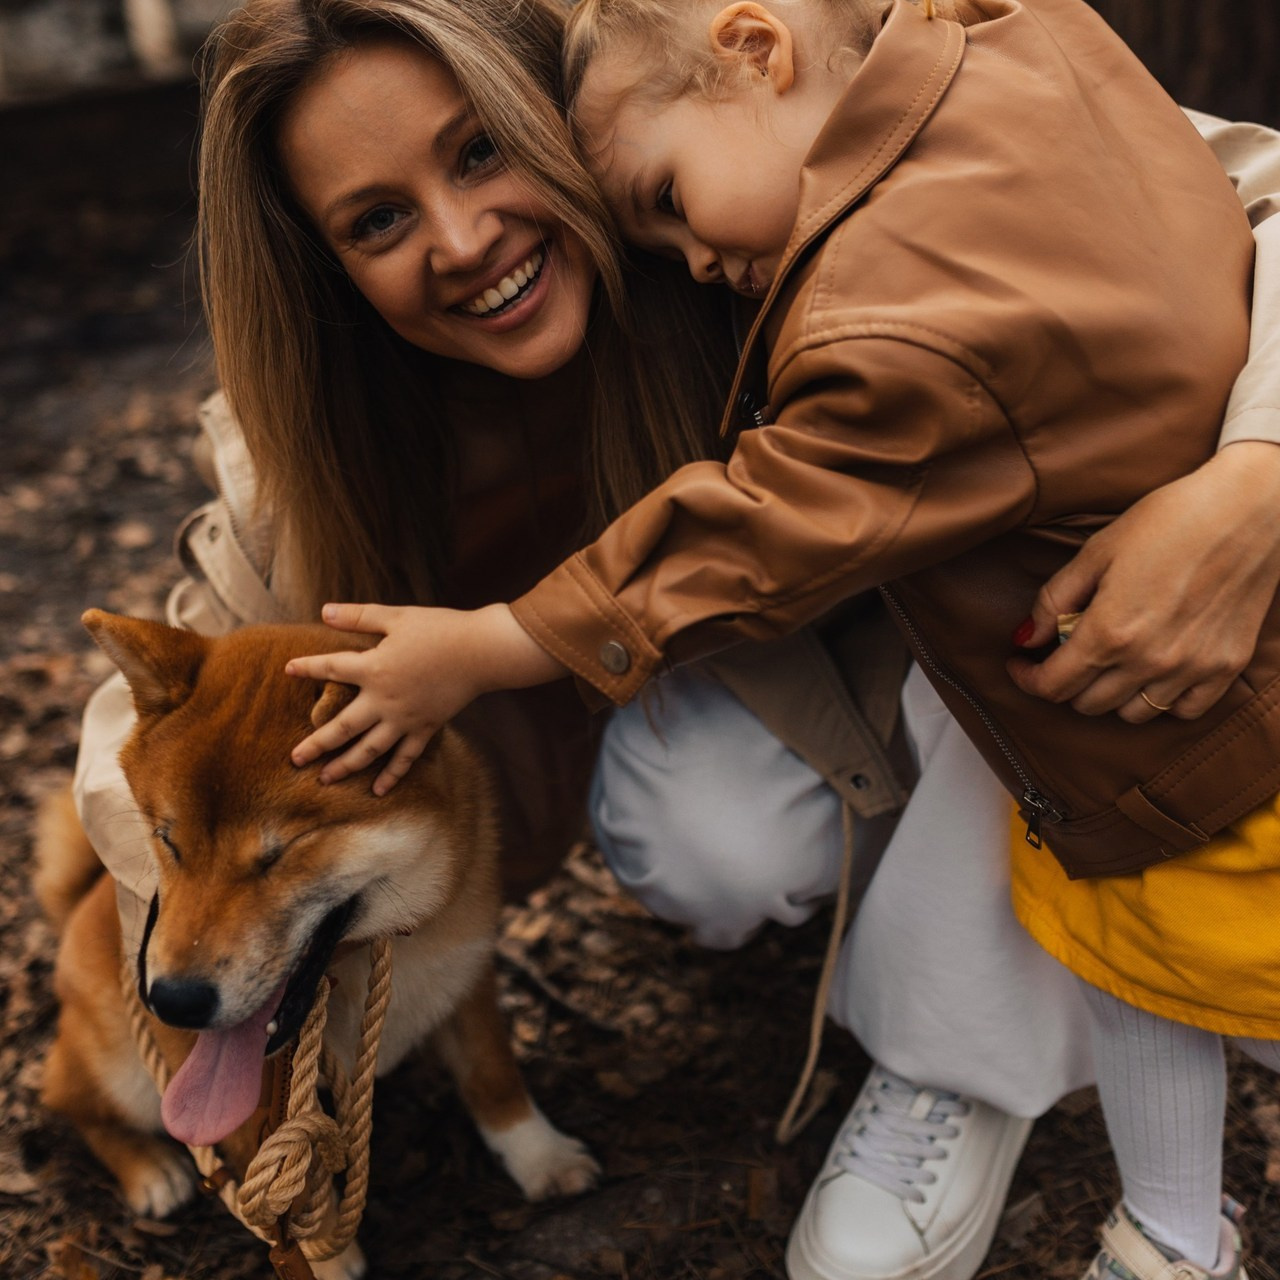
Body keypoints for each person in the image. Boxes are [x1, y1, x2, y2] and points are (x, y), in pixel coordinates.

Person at [71, 0, 1280, 1277]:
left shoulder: (747, 148)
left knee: (1016, 605)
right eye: (376, 220)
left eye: (481, 149)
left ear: (554, 102)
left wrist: (1253, 479)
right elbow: (166, 716)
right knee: (703, 834)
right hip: (802, 697)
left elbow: (1237, 184)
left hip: (1049, 647)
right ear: (323, 267)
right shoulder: (332, 432)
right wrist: (196, 918)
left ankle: (956, 1051)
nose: (462, 240)